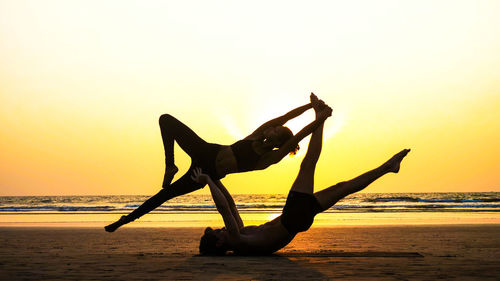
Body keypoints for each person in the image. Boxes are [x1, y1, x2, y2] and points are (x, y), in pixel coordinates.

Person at [192, 100, 410, 255]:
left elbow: (230, 206)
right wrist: (209, 181)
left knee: (344, 187)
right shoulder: (237, 241)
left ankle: (388, 167)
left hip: (294, 219)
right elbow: (222, 209)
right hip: (293, 217)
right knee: (309, 165)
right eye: (218, 232)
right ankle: (321, 119)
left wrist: (216, 179)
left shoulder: (239, 234)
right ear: (220, 242)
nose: (221, 229)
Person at [105, 93, 331, 232]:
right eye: (272, 127)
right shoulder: (255, 134)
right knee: (165, 120)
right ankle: (170, 165)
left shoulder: (268, 158)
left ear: (278, 141)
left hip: (205, 172)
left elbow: (299, 135)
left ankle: (125, 219)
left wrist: (319, 119)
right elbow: (285, 117)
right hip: (205, 149)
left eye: (276, 131)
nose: (272, 128)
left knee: (165, 195)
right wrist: (310, 106)